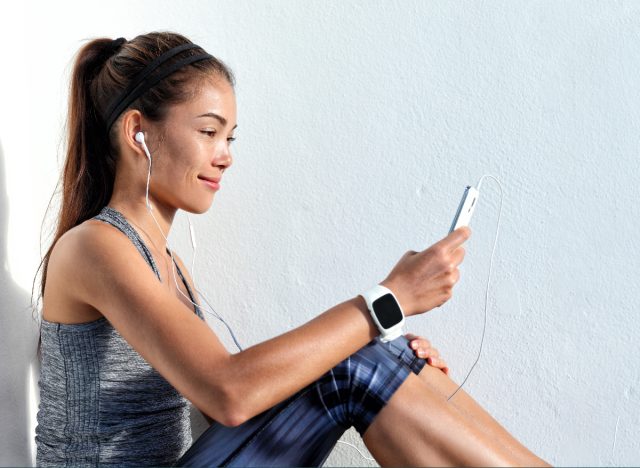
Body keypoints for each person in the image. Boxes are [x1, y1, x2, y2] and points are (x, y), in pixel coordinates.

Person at [33, 31, 549, 467]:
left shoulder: (166, 264)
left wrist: (385, 346)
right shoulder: (95, 247)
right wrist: (386, 302)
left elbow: (227, 409)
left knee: (373, 351)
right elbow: (228, 394)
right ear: (137, 131)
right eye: (209, 131)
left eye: (231, 138)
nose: (225, 156)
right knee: (358, 357)